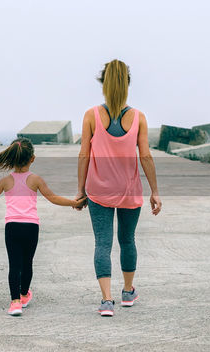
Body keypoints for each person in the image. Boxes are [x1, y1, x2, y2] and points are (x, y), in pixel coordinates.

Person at [75, 59, 162, 317]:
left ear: (103, 84)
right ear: (127, 84)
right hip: (129, 190)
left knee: (102, 243)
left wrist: (80, 190)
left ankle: (106, 301)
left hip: (98, 190)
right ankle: (127, 292)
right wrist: (155, 191)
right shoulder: (139, 118)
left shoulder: (91, 115)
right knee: (127, 240)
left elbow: (83, 155)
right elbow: (145, 156)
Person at [0, 138, 85, 316]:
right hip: (31, 227)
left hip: (12, 227)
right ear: (32, 159)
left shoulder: (5, 181)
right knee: (27, 263)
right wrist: (73, 202)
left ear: (11, 158)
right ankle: (24, 294)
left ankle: (15, 303)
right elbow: (53, 198)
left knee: (14, 265)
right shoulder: (36, 180)